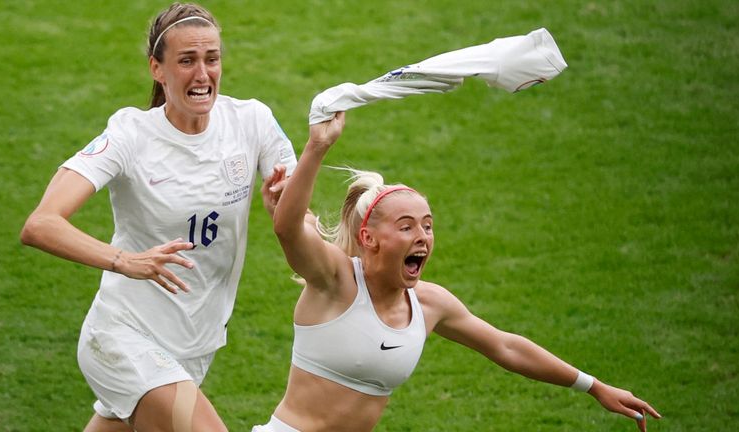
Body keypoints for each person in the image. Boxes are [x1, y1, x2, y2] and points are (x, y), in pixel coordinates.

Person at [254, 111, 662, 432]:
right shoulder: (336, 281)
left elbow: (505, 347)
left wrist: (593, 386)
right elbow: (289, 228)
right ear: (370, 236)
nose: (422, 237)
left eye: (428, 225)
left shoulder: (429, 303)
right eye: (406, 226)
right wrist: (318, 147)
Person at [20, 3, 298, 431]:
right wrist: (125, 261)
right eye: (186, 61)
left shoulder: (252, 121)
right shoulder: (131, 134)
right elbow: (41, 224)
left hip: (193, 345)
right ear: (157, 68)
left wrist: (286, 203)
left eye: (212, 58)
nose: (203, 74)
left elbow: (299, 219)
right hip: (123, 339)